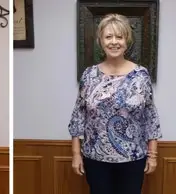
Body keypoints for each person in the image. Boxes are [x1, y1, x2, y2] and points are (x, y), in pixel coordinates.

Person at [68, 13, 162, 194]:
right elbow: (78, 116)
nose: (114, 42)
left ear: (127, 40)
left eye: (119, 36)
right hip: (95, 158)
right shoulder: (89, 75)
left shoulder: (141, 75)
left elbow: (151, 117)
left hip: (133, 158)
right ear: (100, 41)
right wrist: (76, 154)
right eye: (108, 36)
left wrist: (153, 155)